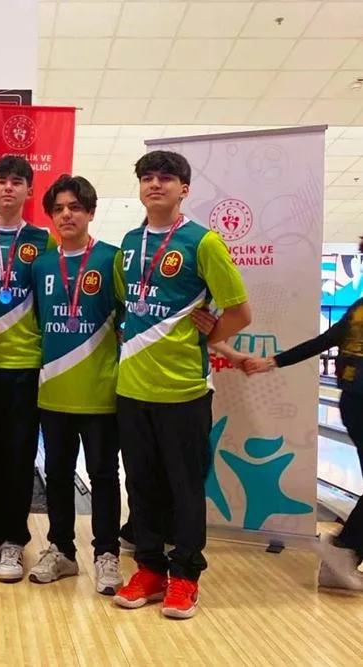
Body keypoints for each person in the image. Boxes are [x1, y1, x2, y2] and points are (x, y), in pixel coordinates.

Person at [113, 150, 251, 620]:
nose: (155, 184)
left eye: (166, 178)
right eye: (147, 178)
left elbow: (240, 312)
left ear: (184, 189)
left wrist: (205, 335)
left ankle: (186, 575)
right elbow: (128, 306)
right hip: (132, 389)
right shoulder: (129, 243)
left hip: (184, 391)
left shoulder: (203, 242)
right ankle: (149, 569)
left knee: (186, 488)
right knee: (142, 485)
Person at [27, 175, 124, 593]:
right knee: (58, 473)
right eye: (59, 209)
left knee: (103, 475)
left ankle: (107, 555)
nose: (66, 215)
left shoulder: (112, 259)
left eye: (75, 207)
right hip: (54, 391)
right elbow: (36, 320)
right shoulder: (41, 265)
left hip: (100, 391)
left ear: (90, 212)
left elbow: (132, 315)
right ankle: (62, 550)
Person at [0, 156, 56, 582]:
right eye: (1, 181)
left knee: (19, 458)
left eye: (17, 182)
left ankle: (15, 540)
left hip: (25, 365)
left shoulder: (43, 241)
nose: (8, 188)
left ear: (29, 192)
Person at [240, 276, 363, 591]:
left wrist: (272, 361)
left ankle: (339, 562)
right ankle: (343, 549)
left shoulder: (358, 309)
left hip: (353, 403)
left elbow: (322, 342)